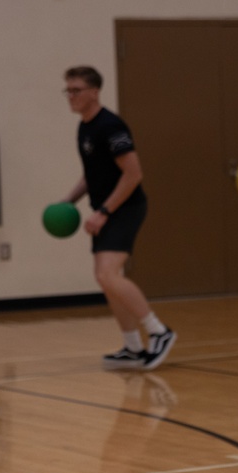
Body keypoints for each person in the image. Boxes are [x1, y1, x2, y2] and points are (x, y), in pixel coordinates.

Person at [61, 66, 176, 371]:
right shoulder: (84, 127)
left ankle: (159, 332)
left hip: (124, 208)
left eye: (76, 90)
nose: (70, 96)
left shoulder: (110, 127)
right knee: (107, 280)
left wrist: (104, 212)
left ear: (94, 92)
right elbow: (92, 174)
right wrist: (68, 201)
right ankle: (132, 347)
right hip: (106, 210)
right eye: (68, 90)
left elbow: (134, 174)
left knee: (107, 275)